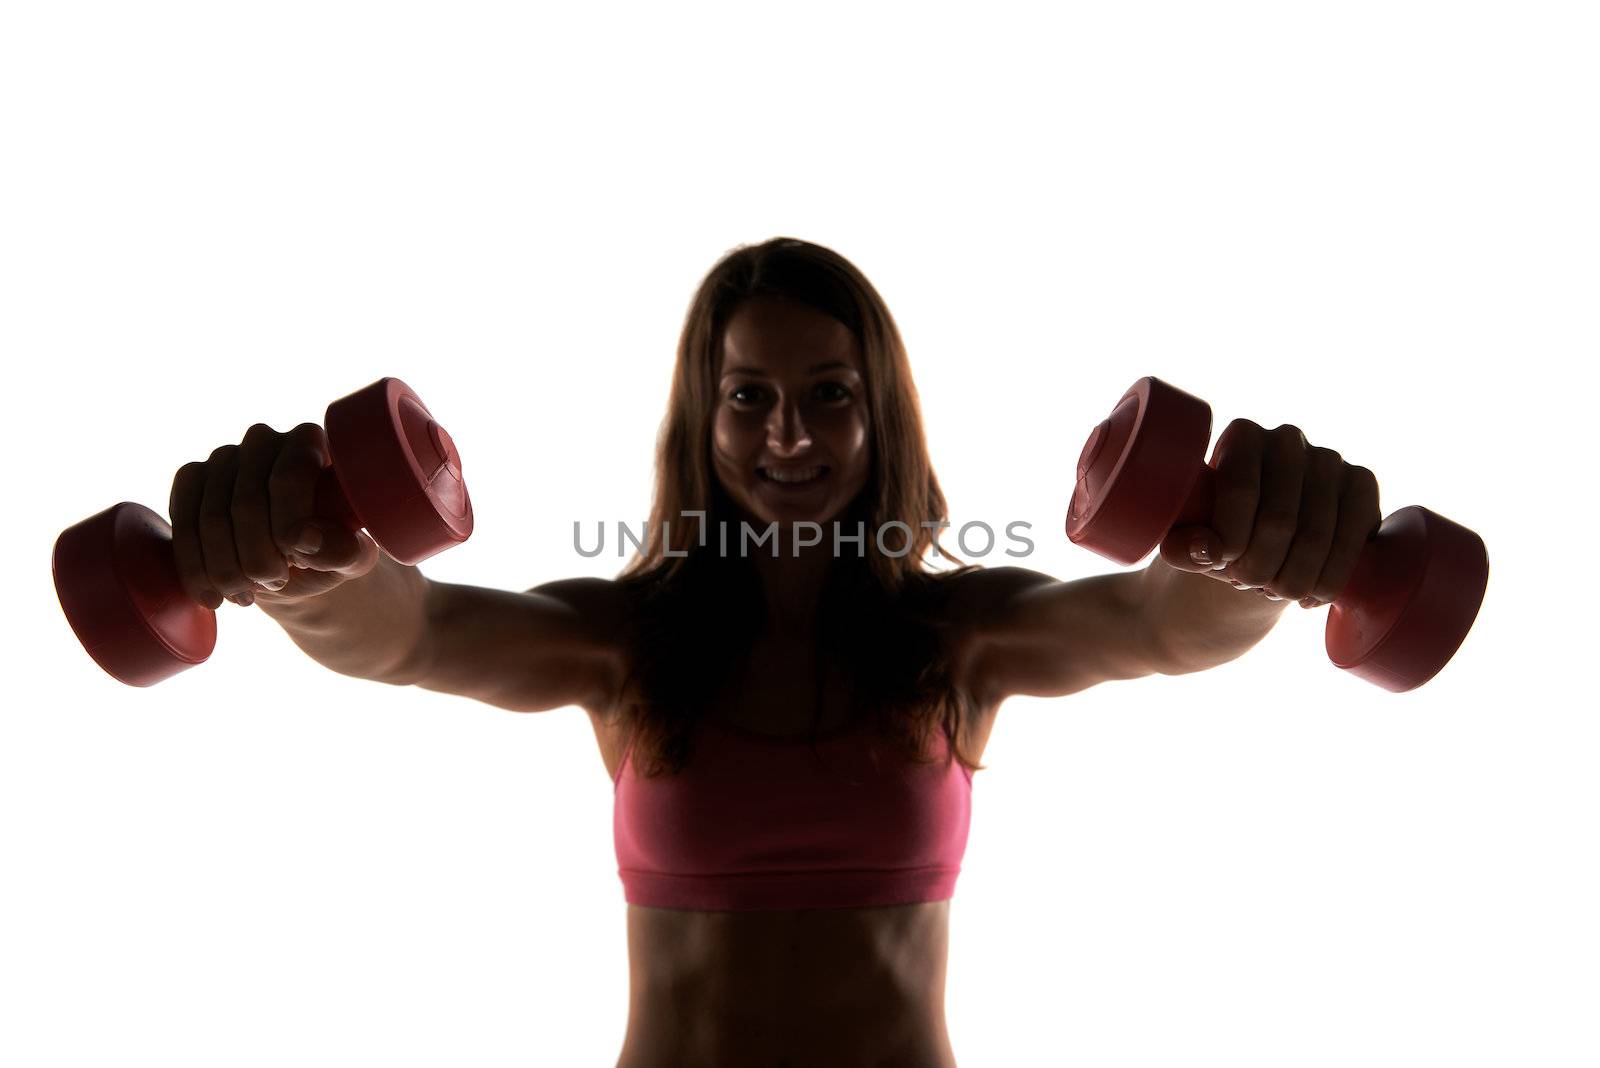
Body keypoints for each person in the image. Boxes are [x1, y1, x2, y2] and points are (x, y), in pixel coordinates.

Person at [170, 237, 1378, 1066]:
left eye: (829, 393)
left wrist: (1244, 558)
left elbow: (1155, 623)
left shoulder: (963, 641)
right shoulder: (623, 646)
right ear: (704, 416)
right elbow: (417, 631)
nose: (787, 432)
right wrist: (317, 571)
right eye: (747, 395)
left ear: (880, 410)